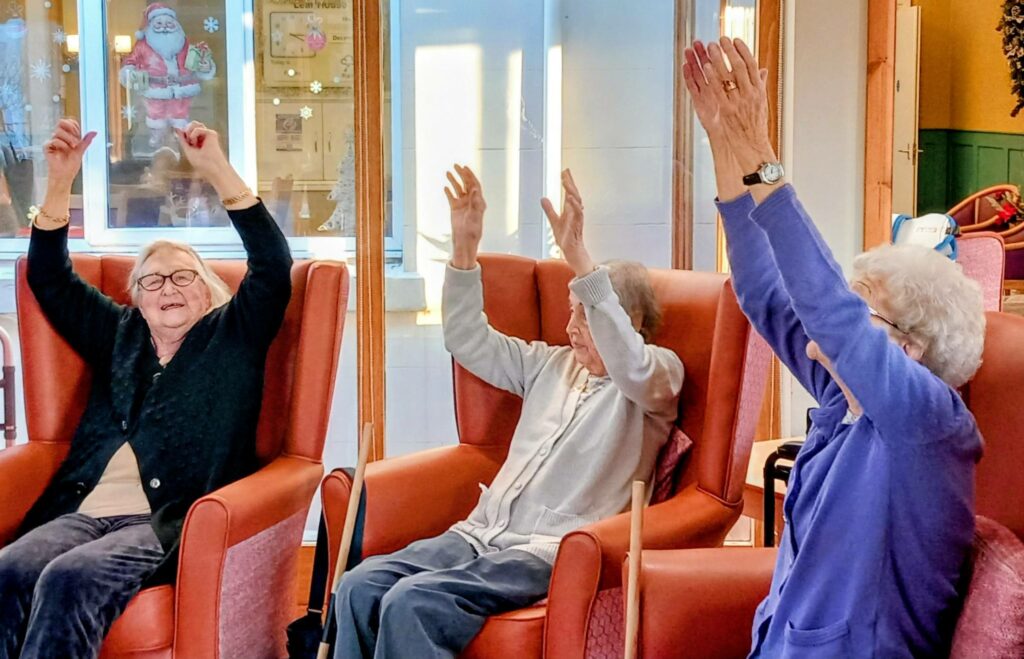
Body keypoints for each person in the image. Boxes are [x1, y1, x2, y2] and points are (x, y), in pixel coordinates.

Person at [683, 37, 985, 657]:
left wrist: (764, 154)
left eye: (861, 304)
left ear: (910, 351)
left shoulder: (928, 424)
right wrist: (724, 140)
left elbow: (826, 309)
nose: (832, 320)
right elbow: (765, 290)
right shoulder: (843, 402)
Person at [332, 166, 685, 658]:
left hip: (545, 551)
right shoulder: (550, 364)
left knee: (413, 603)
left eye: (586, 314)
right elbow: (467, 339)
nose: (573, 326)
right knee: (360, 584)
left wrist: (580, 259)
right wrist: (464, 249)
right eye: (571, 310)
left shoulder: (655, 379)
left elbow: (628, 362)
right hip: (479, 535)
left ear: (633, 322)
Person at [0, 118, 292, 659]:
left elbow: (273, 267)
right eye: (152, 280)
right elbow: (48, 277)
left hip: (164, 521)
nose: (168, 288)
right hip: (81, 509)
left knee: (71, 578)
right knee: (11, 567)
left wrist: (216, 170)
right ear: (137, 297)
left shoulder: (232, 337)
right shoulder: (120, 332)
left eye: (183, 276)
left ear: (208, 291)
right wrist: (60, 182)